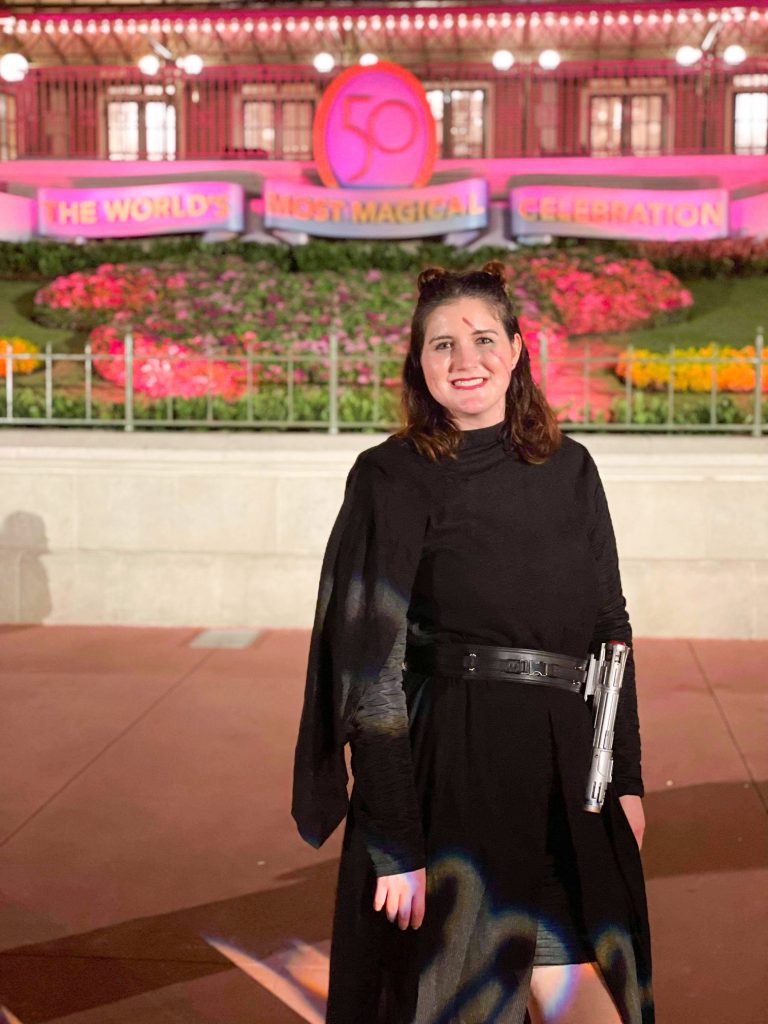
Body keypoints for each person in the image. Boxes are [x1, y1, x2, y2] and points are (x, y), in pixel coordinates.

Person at [292, 261, 653, 1024]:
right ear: (418, 364)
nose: (466, 361)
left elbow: (608, 631)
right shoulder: (392, 478)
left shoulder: (571, 469)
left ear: (518, 349)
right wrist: (396, 841)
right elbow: (372, 671)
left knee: (594, 1002)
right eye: (442, 344)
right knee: (461, 1003)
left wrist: (624, 777)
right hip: (451, 770)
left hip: (565, 778)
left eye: (485, 338)